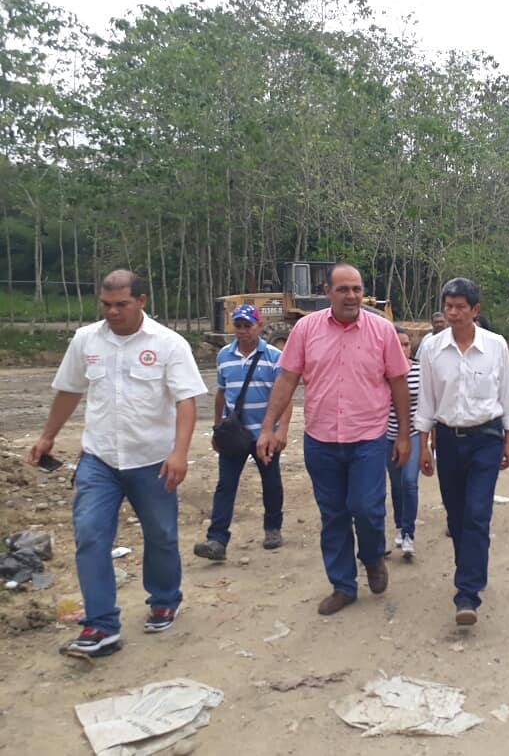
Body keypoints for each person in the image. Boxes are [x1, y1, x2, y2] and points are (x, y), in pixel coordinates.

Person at [29, 270, 207, 656]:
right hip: (99, 460)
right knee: (90, 535)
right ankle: (101, 626)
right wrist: (48, 436)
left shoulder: (169, 344)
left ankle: (164, 598)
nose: (112, 312)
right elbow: (69, 390)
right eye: (106, 305)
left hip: (152, 461)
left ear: (141, 301)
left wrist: (180, 452)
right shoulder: (86, 340)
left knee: (161, 535)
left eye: (121, 304)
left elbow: (186, 401)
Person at [256, 264, 411, 616]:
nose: (352, 296)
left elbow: (399, 383)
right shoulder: (306, 329)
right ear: (327, 292)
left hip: (368, 439)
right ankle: (343, 586)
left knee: (366, 508)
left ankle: (372, 557)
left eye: (356, 289)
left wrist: (403, 434)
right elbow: (287, 380)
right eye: (343, 289)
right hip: (321, 439)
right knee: (334, 514)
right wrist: (268, 427)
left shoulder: (382, 331)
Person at [415, 277, 509, 626]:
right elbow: (427, 399)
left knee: (477, 513)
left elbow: (506, 393)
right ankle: (471, 566)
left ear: (475, 310)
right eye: (449, 306)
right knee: (457, 516)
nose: (453, 312)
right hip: (446, 440)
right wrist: (423, 445)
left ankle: (467, 593)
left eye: (460, 307)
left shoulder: (496, 346)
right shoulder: (432, 348)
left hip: (486, 438)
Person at [194, 304, 291, 561]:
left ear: (259, 326)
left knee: (270, 482)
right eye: (238, 325)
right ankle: (216, 539)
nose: (243, 331)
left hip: (264, 434)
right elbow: (221, 393)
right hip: (234, 434)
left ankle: (272, 528)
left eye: (248, 325)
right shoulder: (224, 356)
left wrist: (281, 432)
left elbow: (285, 397)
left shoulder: (273, 356)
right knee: (225, 485)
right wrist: (216, 428)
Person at [387, 326, 421, 559]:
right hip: (387, 435)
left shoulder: (421, 371)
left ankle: (409, 533)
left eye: (407, 344)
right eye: (398, 344)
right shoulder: (383, 372)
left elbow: (430, 404)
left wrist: (431, 439)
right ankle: (400, 526)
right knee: (396, 483)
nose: (403, 348)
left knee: (410, 482)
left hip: (414, 434)